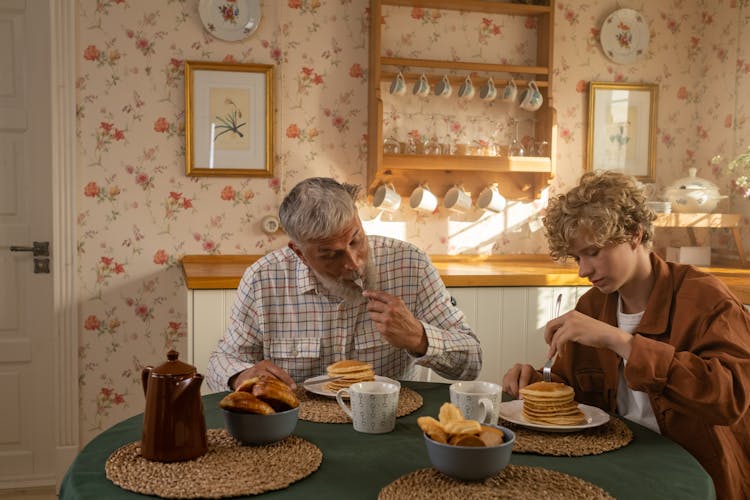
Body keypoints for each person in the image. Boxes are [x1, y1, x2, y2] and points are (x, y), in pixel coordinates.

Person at [501, 171, 750, 500]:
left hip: (696, 476)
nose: (583, 270)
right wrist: (535, 382)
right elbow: (576, 397)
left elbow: (730, 399)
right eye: (577, 257)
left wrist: (621, 341)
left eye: (593, 252)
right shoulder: (593, 305)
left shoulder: (707, 300)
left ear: (635, 234)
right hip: (618, 465)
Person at [207, 177, 481, 393]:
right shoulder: (262, 279)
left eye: (355, 240)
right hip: (296, 429)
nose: (354, 263)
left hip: (392, 423)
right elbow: (221, 362)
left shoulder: (412, 264)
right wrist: (240, 376)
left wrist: (419, 338)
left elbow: (471, 363)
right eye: (331, 254)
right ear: (299, 252)